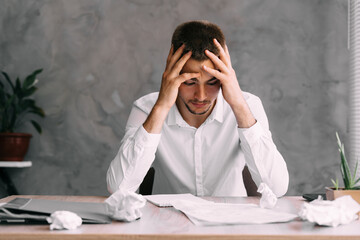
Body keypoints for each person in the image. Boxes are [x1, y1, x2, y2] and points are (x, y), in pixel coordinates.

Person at [107, 20, 289, 197]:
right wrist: (162, 106)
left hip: (229, 222)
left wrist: (239, 105)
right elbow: (119, 188)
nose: (201, 96)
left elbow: (277, 188)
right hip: (168, 222)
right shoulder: (146, 108)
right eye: (189, 82)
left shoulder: (248, 105)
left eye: (212, 82)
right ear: (172, 75)